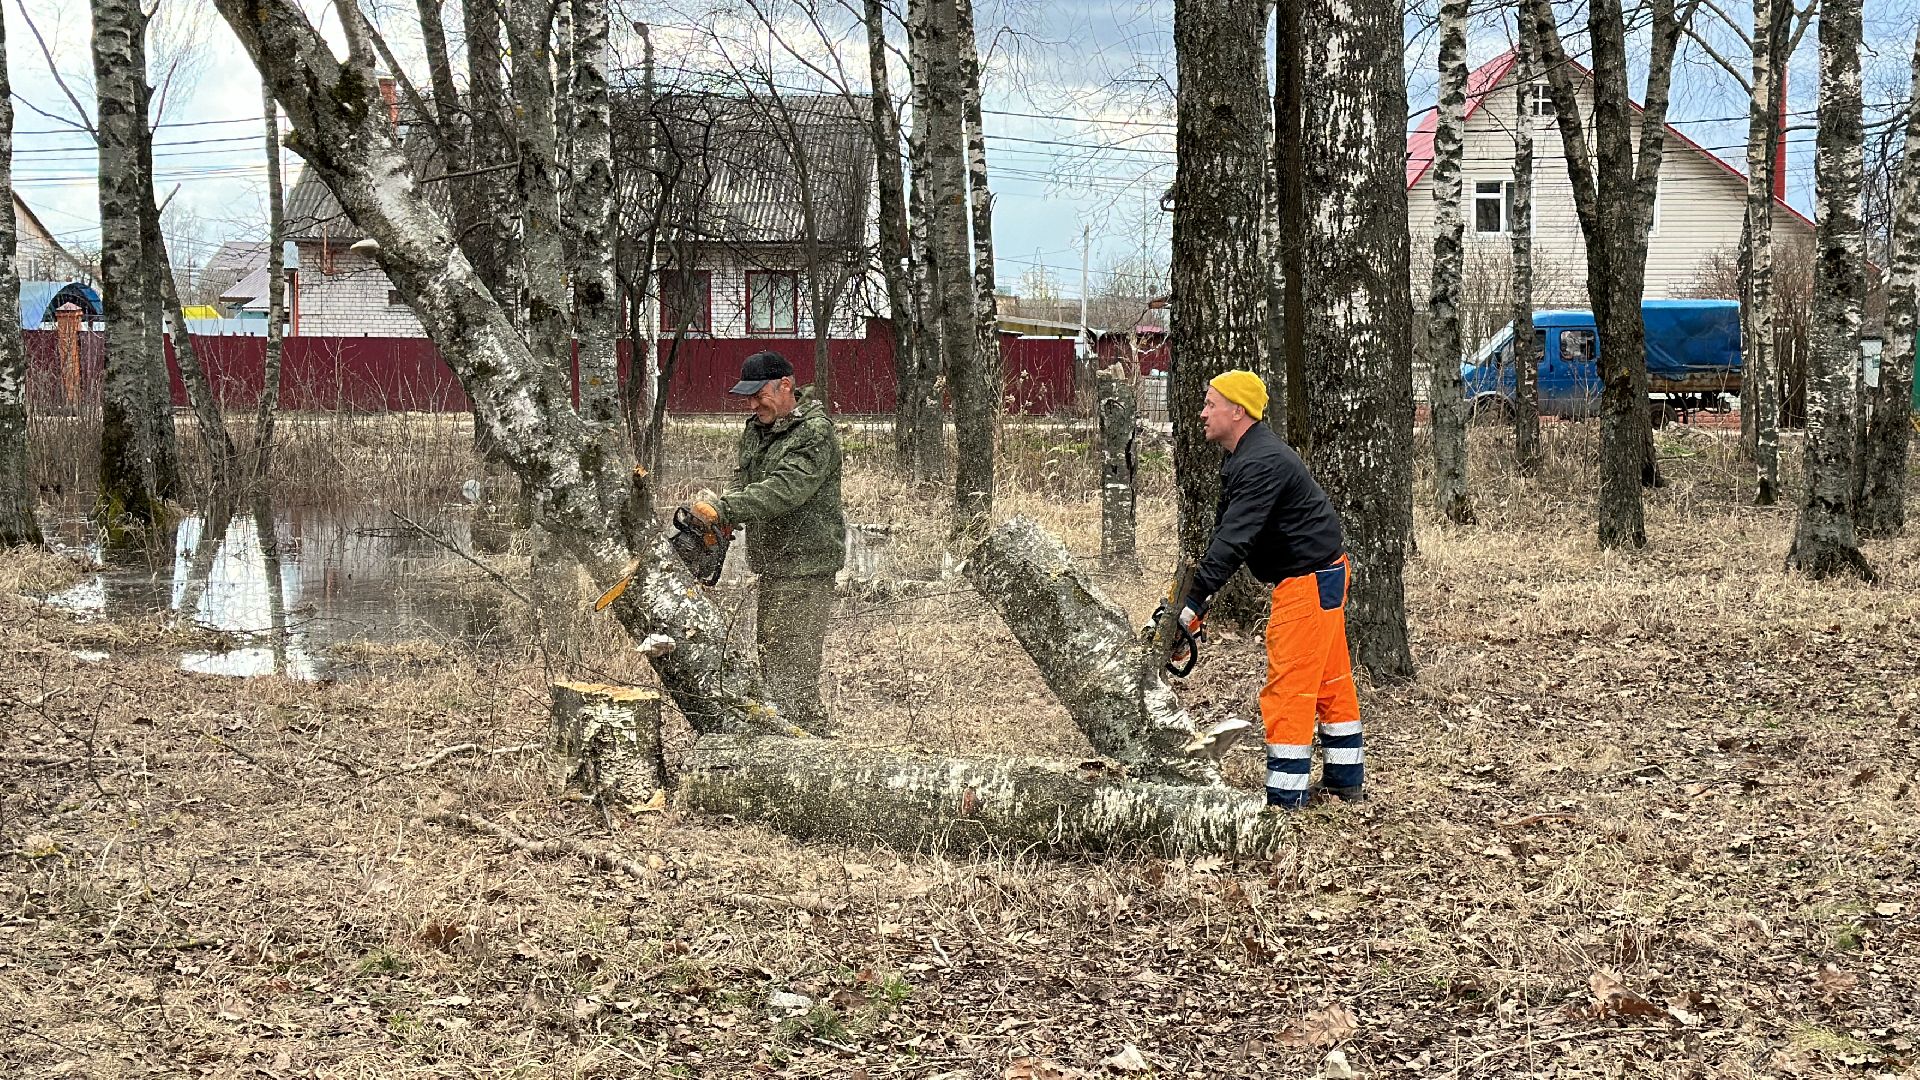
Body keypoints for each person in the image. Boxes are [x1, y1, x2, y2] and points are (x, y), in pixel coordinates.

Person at [1179, 370, 1364, 809]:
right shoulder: (1248, 455)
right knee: (1330, 683)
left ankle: (1285, 798)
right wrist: (1194, 601)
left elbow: (1233, 540)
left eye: (1211, 404)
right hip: (1323, 575)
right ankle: (1344, 779)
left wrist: (1191, 604)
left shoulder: (1261, 462)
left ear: (1237, 411)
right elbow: (1231, 533)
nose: (1202, 412)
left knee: (1289, 690)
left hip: (1308, 583)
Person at [685, 351, 845, 733]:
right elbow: (746, 481)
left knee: (795, 677)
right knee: (772, 666)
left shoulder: (814, 432)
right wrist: (723, 520)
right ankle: (789, 748)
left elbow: (784, 490)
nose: (754, 404)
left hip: (807, 568)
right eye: (749, 397)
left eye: (760, 395)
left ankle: (817, 752)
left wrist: (724, 509)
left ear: (785, 386)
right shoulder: (758, 428)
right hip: (773, 566)